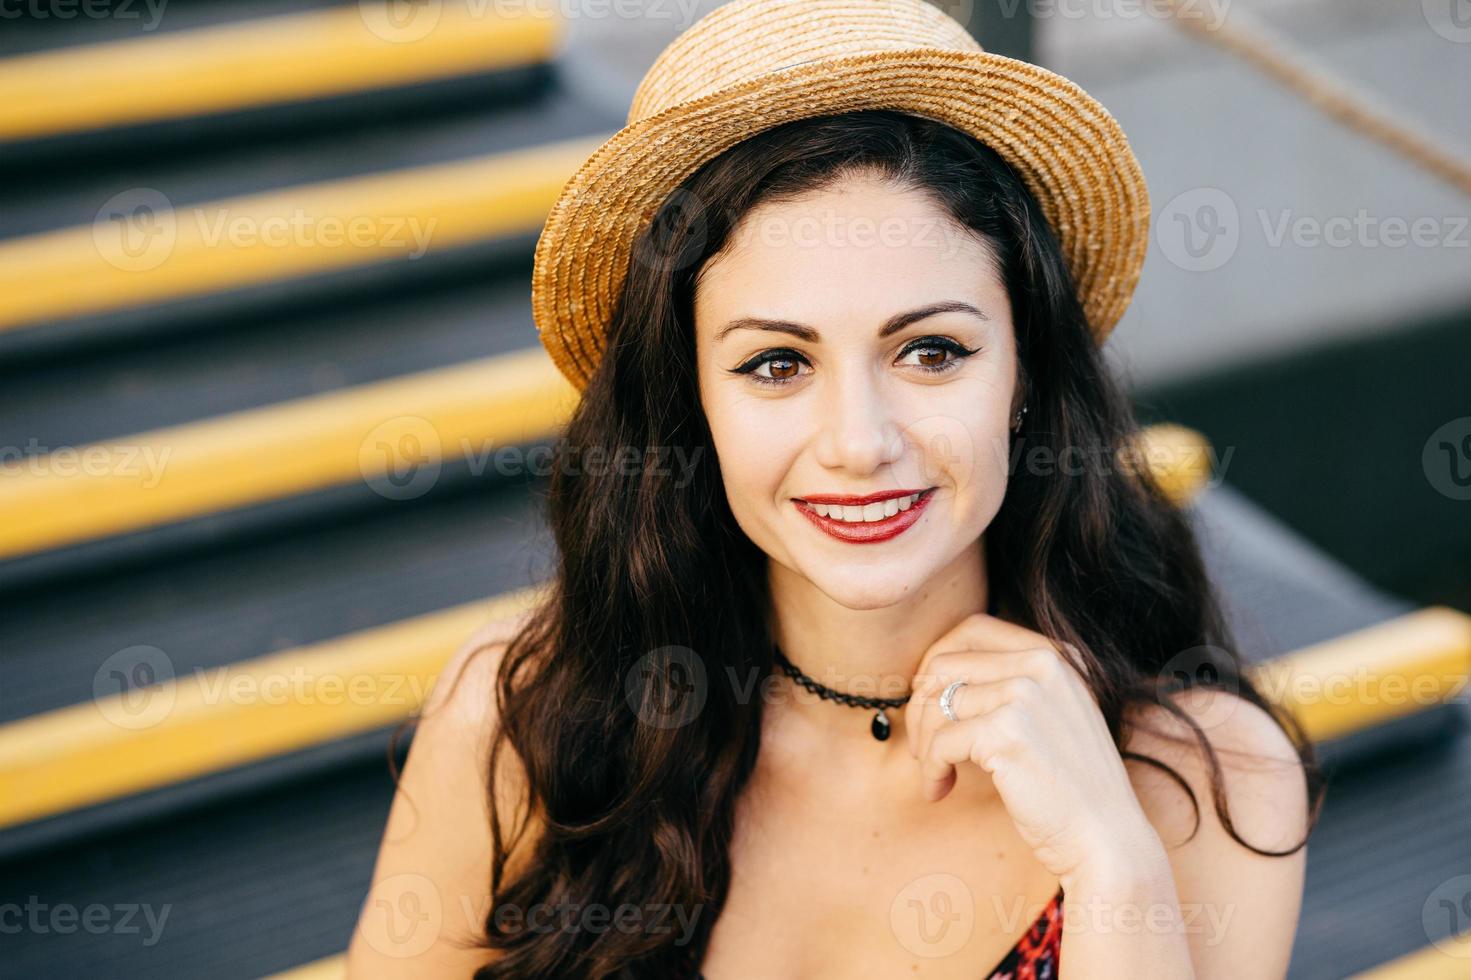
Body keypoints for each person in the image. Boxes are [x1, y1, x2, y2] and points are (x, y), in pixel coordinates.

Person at [348, 1, 1323, 977]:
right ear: (690, 404)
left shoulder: (1202, 777)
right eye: (776, 363)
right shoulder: (527, 714)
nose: (860, 442)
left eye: (931, 350)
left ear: (1024, 374)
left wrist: (1112, 864)